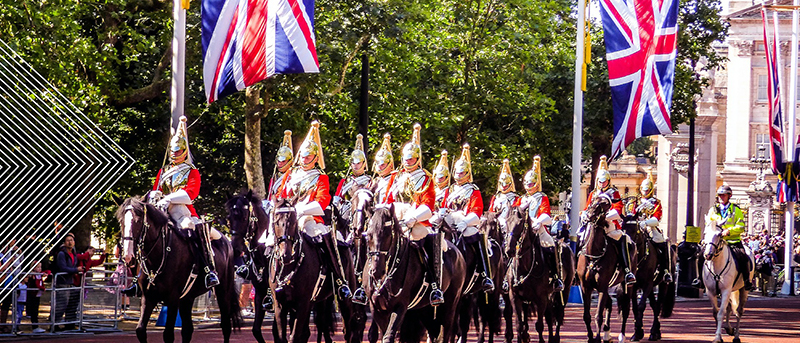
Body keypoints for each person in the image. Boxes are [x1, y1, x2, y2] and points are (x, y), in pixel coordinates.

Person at [125, 116, 221, 296]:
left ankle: (209, 270)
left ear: (184, 151)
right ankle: (139, 278)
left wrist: (169, 198)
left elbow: (191, 194)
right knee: (145, 234)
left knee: (192, 229)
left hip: (182, 211)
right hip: (161, 211)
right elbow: (156, 190)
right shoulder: (163, 171)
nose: (174, 154)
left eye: (177, 151)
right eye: (172, 150)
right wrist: (153, 195)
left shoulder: (191, 171)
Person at [278, 120, 351, 299]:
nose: (304, 159)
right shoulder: (291, 175)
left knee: (326, 239)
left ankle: (339, 280)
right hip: (288, 218)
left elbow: (323, 201)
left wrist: (301, 210)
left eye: (308, 156)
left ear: (315, 158)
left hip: (309, 218)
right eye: (303, 156)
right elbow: (282, 195)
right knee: (268, 241)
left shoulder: (321, 177)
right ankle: (267, 284)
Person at [385, 123, 441, 305]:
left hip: (415, 222)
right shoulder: (396, 176)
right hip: (395, 221)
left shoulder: (425, 178)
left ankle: (434, 285)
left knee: (428, 244)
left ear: (417, 158)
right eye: (405, 158)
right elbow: (388, 199)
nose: (408, 161)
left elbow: (428, 205)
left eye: (411, 158)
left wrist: (412, 218)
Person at [435, 144, 493, 292]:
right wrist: (440, 214)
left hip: (466, 222)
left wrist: (465, 222)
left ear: (467, 173)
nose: (459, 175)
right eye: (457, 173)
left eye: (462, 173)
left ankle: (485, 274)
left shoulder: (473, 191)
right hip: (449, 221)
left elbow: (476, 211)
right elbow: (444, 205)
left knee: (476, 236)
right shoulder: (450, 189)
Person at [581, 156, 636, 285]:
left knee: (623, 240)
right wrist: (584, 215)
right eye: (600, 181)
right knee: (580, 239)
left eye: (604, 181)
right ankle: (577, 270)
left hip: (609, 224)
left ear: (608, 181)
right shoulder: (593, 194)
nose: (602, 183)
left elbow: (618, 210)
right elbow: (587, 208)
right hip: (593, 224)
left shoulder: (614, 193)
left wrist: (604, 217)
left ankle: (627, 271)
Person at [514, 156, 564, 292]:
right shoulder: (521, 199)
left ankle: (555, 277)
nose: (528, 186)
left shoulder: (542, 197)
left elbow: (546, 214)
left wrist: (538, 221)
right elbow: (515, 215)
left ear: (536, 183)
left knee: (550, 245)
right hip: (522, 232)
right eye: (527, 184)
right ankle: (507, 278)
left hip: (538, 231)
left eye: (531, 184)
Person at [692, 185, 753, 291]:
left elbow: (741, 226)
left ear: (729, 196)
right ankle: (700, 279)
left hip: (732, 241)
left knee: (743, 256)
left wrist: (729, 231)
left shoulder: (736, 210)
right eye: (719, 195)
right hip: (716, 241)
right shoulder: (713, 210)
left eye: (723, 195)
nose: (721, 197)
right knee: (701, 255)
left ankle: (747, 281)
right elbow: (709, 224)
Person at [633, 169, 673, 283]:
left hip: (650, 227)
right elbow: (631, 213)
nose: (645, 192)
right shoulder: (636, 202)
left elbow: (657, 218)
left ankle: (665, 270)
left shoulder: (656, 202)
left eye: (647, 190)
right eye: (643, 190)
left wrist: (645, 223)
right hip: (637, 226)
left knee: (661, 242)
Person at [333, 133, 372, 240]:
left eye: (358, 163)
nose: (355, 165)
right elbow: (337, 198)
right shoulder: (344, 181)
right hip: (344, 213)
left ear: (364, 163)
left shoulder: (369, 181)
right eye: (353, 163)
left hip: (362, 213)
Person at [54, 233, 84, 331]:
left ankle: (69, 323)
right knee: (61, 304)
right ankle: (54, 324)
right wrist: (76, 270)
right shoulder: (62, 254)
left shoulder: (73, 254)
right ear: (64, 242)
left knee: (70, 304)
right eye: (68, 240)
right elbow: (63, 268)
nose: (70, 242)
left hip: (70, 282)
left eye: (71, 240)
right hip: (62, 282)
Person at [488, 159, 519, 238]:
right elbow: (491, 212)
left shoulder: (515, 198)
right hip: (495, 225)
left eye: (506, 184)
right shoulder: (496, 197)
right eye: (502, 184)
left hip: (510, 227)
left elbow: (516, 215)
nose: (503, 186)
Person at [370, 133, 396, 204]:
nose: (379, 167)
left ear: (390, 165)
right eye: (378, 164)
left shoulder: (395, 180)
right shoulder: (375, 181)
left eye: (382, 164)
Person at [26, 262, 47, 333]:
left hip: (38, 294)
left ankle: (36, 325)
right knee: (33, 310)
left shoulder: (40, 275)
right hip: (33, 294)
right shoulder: (32, 276)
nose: (40, 269)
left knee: (36, 310)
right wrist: (41, 288)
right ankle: (35, 326)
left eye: (40, 267)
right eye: (38, 267)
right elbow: (35, 284)